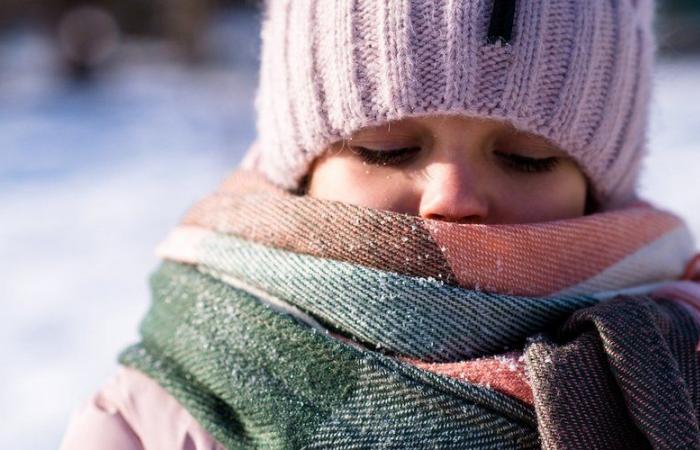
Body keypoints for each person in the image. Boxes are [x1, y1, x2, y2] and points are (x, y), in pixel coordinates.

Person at [60, 0, 700, 448]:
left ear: (596, 190)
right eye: (388, 149)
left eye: (526, 159)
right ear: (303, 170)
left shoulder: (679, 366)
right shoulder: (151, 423)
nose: (451, 200)